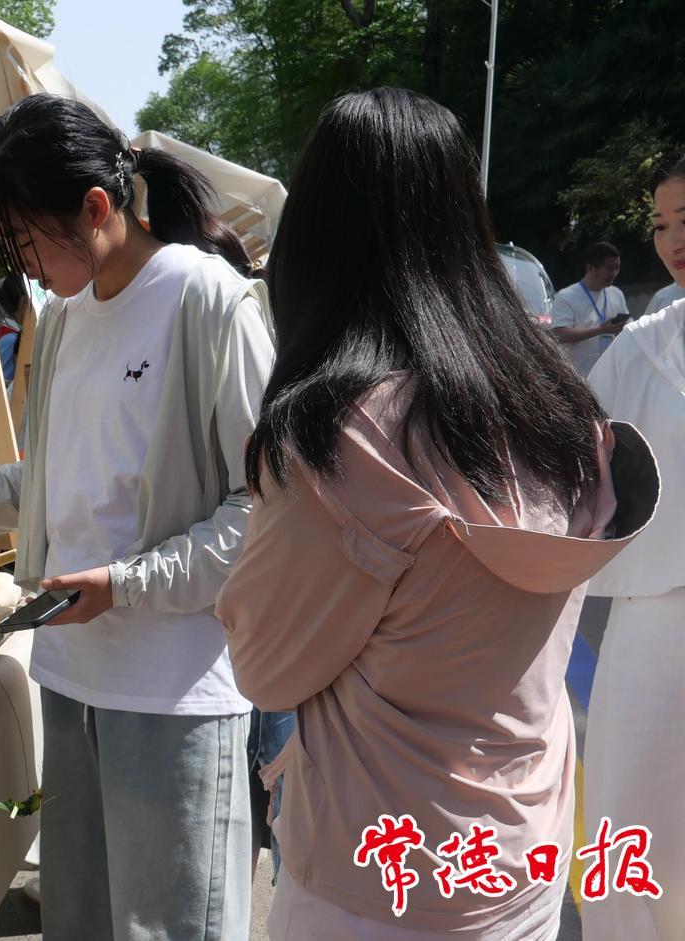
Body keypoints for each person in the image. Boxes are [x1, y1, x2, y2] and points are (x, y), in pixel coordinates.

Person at [216, 88, 658, 940]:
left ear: (316, 238)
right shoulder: (561, 409)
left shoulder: (340, 439)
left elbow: (263, 665)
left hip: (370, 882)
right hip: (521, 860)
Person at [0, 93, 270, 941]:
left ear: (96, 208)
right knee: (81, 925)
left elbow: (266, 508)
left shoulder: (208, 301)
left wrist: (125, 585)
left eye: (27, 241)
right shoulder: (64, 321)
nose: (23, 266)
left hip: (174, 694)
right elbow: (53, 486)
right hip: (69, 681)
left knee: (173, 928)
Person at [580, 155, 685, 941]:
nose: (673, 239)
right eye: (661, 224)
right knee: (633, 807)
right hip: (653, 616)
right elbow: (570, 444)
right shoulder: (644, 344)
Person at [551, 240, 628, 374]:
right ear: (590, 268)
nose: (614, 273)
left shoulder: (616, 293)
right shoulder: (566, 296)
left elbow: (628, 326)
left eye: (617, 268)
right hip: (580, 376)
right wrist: (600, 330)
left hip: (612, 375)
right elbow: (560, 334)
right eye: (610, 268)